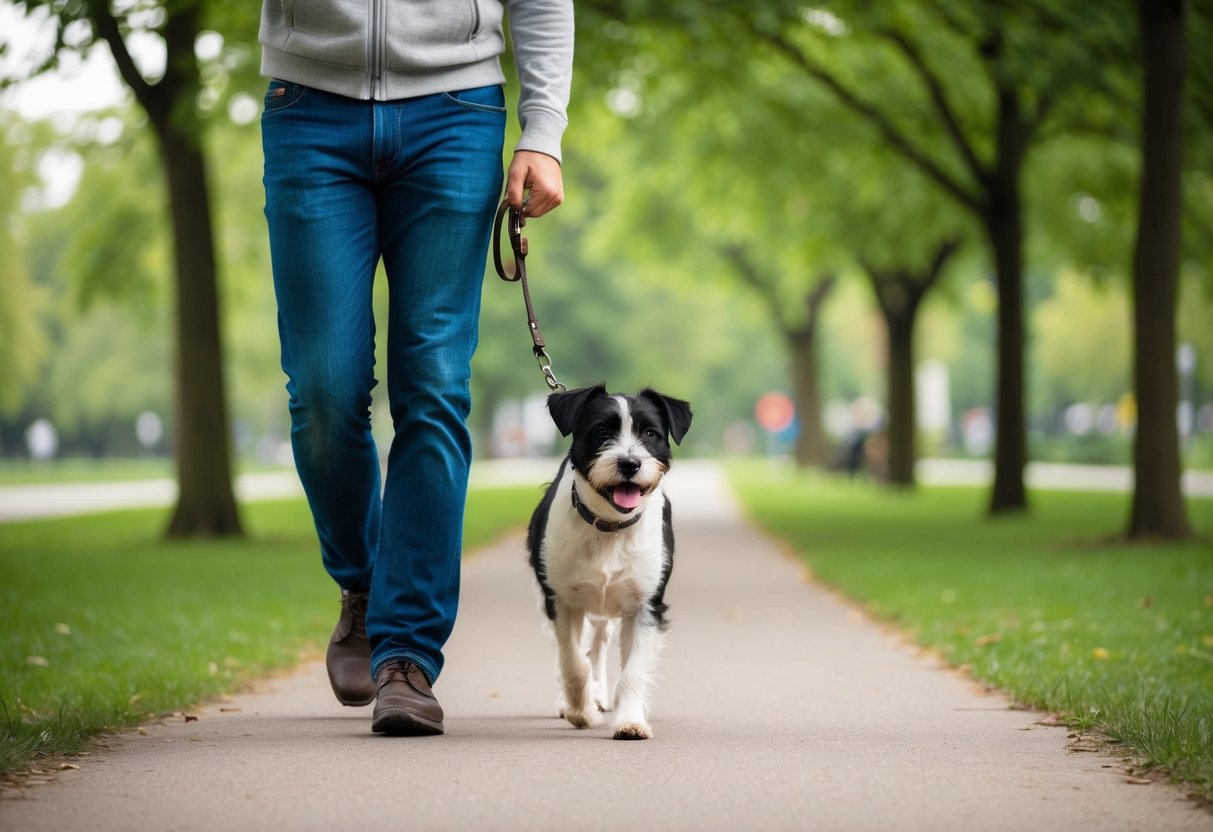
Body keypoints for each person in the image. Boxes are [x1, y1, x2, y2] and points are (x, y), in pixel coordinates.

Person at [258, 0, 574, 736]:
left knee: (433, 386)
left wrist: (544, 132)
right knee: (324, 392)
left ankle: (407, 657)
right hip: (309, 108)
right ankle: (363, 584)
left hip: (456, 112)